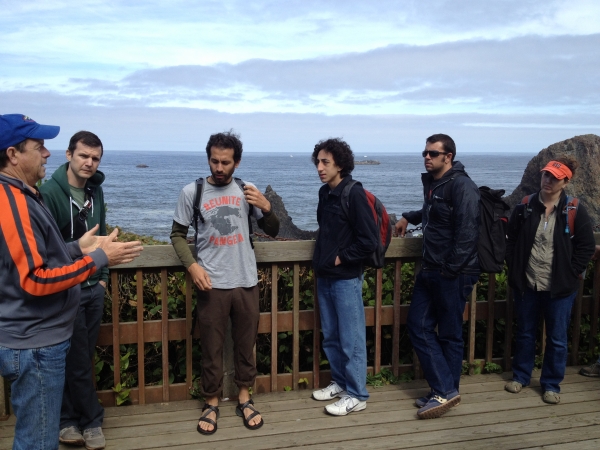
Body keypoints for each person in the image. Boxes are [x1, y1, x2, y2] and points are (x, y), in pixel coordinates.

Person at [0, 114, 143, 450]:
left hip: (39, 333)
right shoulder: (15, 201)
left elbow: (37, 255)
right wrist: (97, 260)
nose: (46, 153)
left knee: (39, 435)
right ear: (13, 154)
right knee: (36, 441)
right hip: (34, 340)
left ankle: (79, 421)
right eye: (39, 147)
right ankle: (82, 421)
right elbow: (34, 278)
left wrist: (78, 248)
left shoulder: (24, 194)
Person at [170, 131, 279, 435]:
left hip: (246, 280)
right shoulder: (193, 191)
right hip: (211, 284)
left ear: (237, 162)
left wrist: (267, 208)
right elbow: (177, 235)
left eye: (225, 162)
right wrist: (192, 266)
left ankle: (245, 397)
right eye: (214, 161)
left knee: (246, 345)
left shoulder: (247, 190)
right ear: (208, 159)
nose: (219, 168)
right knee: (211, 349)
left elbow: (272, 229)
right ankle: (211, 402)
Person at [395, 133, 480, 419]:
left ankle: (444, 391)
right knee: (418, 325)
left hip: (452, 272)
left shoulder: (462, 186)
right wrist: (408, 216)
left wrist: (450, 270)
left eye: (433, 153)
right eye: (425, 153)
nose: (427, 157)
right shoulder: (435, 184)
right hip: (432, 267)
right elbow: (432, 212)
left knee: (450, 334)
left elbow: (468, 233)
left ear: (448, 157)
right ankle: (445, 390)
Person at [504, 158, 595, 404]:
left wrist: (572, 271)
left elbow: (586, 246)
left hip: (560, 288)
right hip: (528, 283)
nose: (548, 180)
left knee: (556, 337)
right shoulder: (525, 206)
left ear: (565, 181)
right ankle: (521, 376)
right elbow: (510, 239)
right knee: (524, 333)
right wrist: (514, 267)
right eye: (546, 175)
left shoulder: (574, 209)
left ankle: (551, 384)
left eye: (555, 177)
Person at [39, 131, 108, 448]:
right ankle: (92, 420)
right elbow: (47, 249)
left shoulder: (96, 190)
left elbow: (103, 235)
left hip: (94, 287)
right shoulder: (49, 192)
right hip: (67, 288)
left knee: (81, 357)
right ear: (68, 155)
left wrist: (103, 277)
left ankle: (67, 420)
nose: (89, 162)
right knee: (77, 359)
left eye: (95, 158)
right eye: (83, 155)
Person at [310, 138, 378, 416]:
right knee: (331, 336)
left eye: (325, 162)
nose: (319, 167)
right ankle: (340, 383)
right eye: (317, 161)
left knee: (351, 338)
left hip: (346, 278)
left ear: (340, 164)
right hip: (325, 275)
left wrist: (342, 257)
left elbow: (369, 240)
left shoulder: (354, 193)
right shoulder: (325, 194)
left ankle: (357, 394)